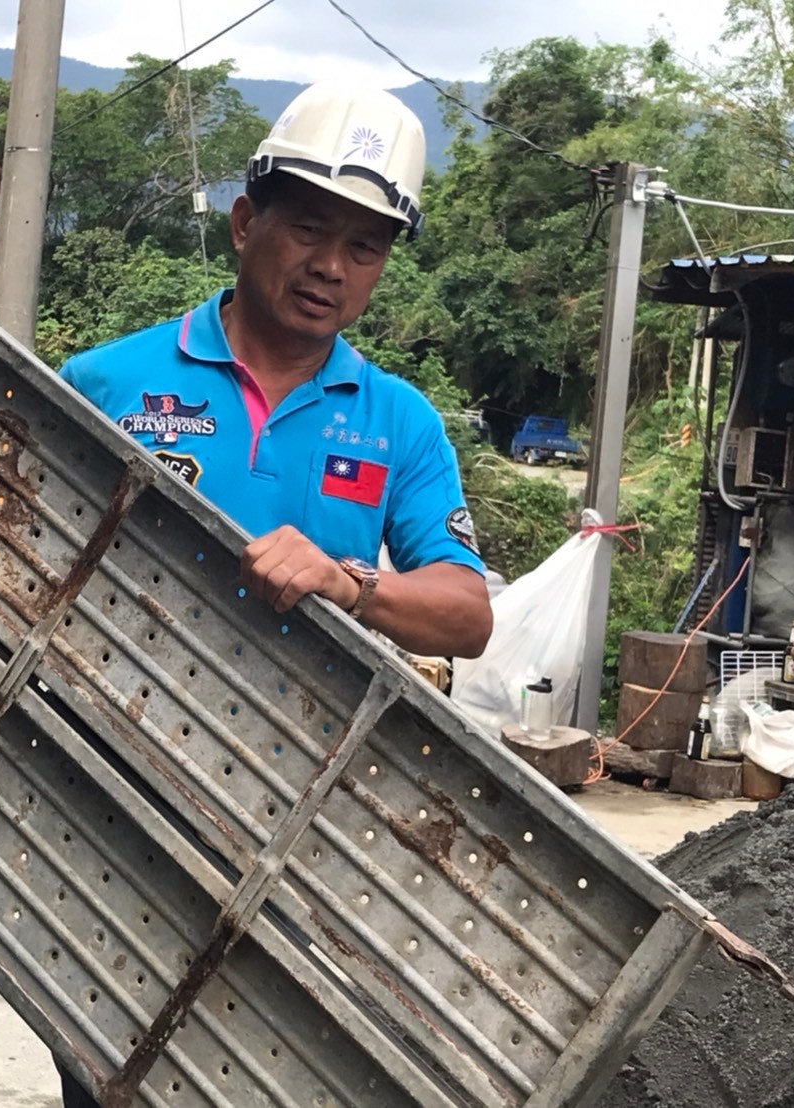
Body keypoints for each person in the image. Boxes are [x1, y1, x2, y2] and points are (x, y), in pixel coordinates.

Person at [50, 83, 494, 1106]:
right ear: (245, 221)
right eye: (308, 229)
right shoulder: (109, 382)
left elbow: (466, 613)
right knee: (104, 1074)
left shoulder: (398, 421)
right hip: (114, 805)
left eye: (365, 247)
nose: (332, 266)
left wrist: (350, 581)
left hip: (300, 830)